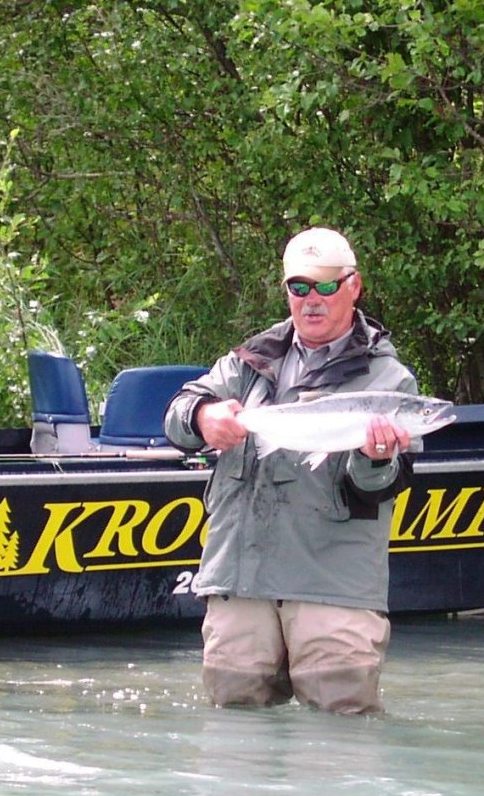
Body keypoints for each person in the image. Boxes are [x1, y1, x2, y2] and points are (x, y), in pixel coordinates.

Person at [163, 226, 417, 714]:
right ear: (287, 292)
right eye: (300, 287)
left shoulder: (389, 380)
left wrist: (376, 458)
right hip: (241, 583)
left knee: (341, 740)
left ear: (354, 286)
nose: (312, 300)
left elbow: (380, 488)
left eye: (326, 286)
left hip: (332, 588)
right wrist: (203, 416)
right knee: (232, 734)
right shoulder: (246, 362)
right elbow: (178, 414)